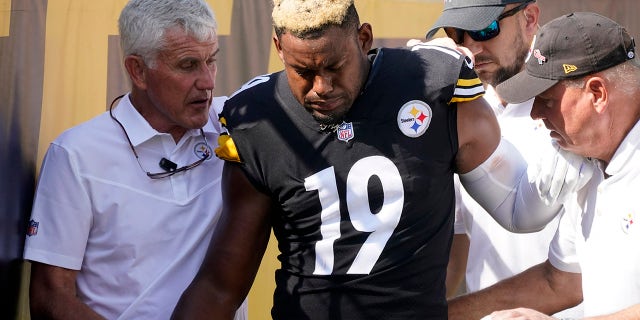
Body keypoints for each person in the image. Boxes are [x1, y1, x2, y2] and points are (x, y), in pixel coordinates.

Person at [171, 1, 591, 319]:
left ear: (364, 39)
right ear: (278, 48)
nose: (322, 87)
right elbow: (221, 284)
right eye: (303, 71)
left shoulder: (431, 83)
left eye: (335, 66)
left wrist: (570, 164)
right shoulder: (259, 119)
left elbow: (518, 210)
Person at [22, 0, 247, 318]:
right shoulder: (76, 154)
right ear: (138, 70)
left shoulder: (241, 124)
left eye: (211, 61)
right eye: (187, 65)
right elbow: (49, 297)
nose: (208, 82)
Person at [448, 12, 640, 319]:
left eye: (546, 100)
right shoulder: (587, 163)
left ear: (597, 93)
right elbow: (558, 282)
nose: (535, 113)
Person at [426, 2, 582, 317]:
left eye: (486, 28)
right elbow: (459, 239)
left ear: (530, 18)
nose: (470, 46)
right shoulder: (462, 108)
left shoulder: (578, 97)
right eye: (457, 34)